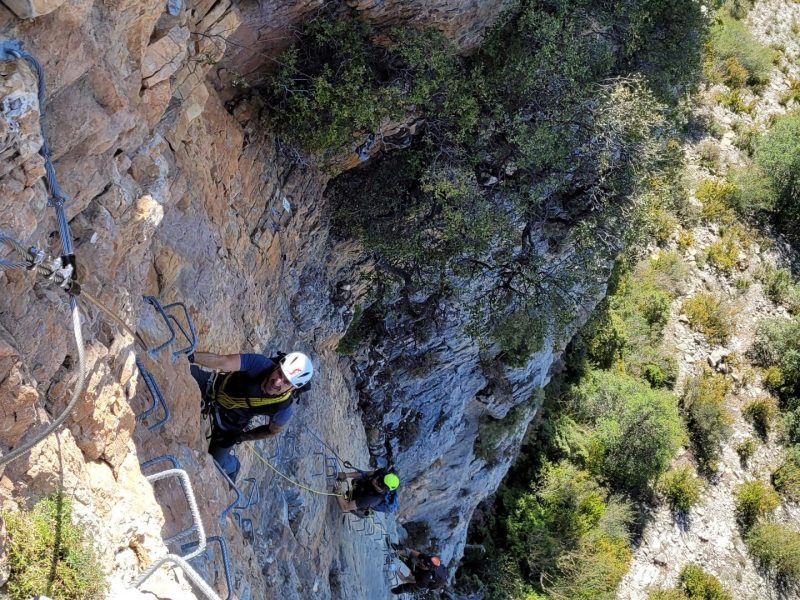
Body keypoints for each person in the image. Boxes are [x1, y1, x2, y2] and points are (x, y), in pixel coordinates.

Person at [188, 350, 313, 481]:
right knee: (181, 368)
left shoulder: (282, 409)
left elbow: (271, 431)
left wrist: (240, 437)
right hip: (214, 388)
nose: (277, 382)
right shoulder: (260, 365)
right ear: (277, 366)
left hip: (231, 423)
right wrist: (191, 356)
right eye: (280, 373)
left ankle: (233, 466)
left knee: (216, 464)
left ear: (293, 388)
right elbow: (223, 361)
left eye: (286, 382)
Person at [334, 468, 400, 516]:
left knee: (348, 499)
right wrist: (345, 475)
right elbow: (364, 474)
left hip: (365, 498)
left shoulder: (374, 499)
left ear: (383, 490)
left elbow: (345, 507)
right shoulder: (381, 473)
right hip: (367, 489)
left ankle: (359, 510)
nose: (375, 480)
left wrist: (338, 493)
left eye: (379, 484)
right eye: (379, 478)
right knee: (356, 481)